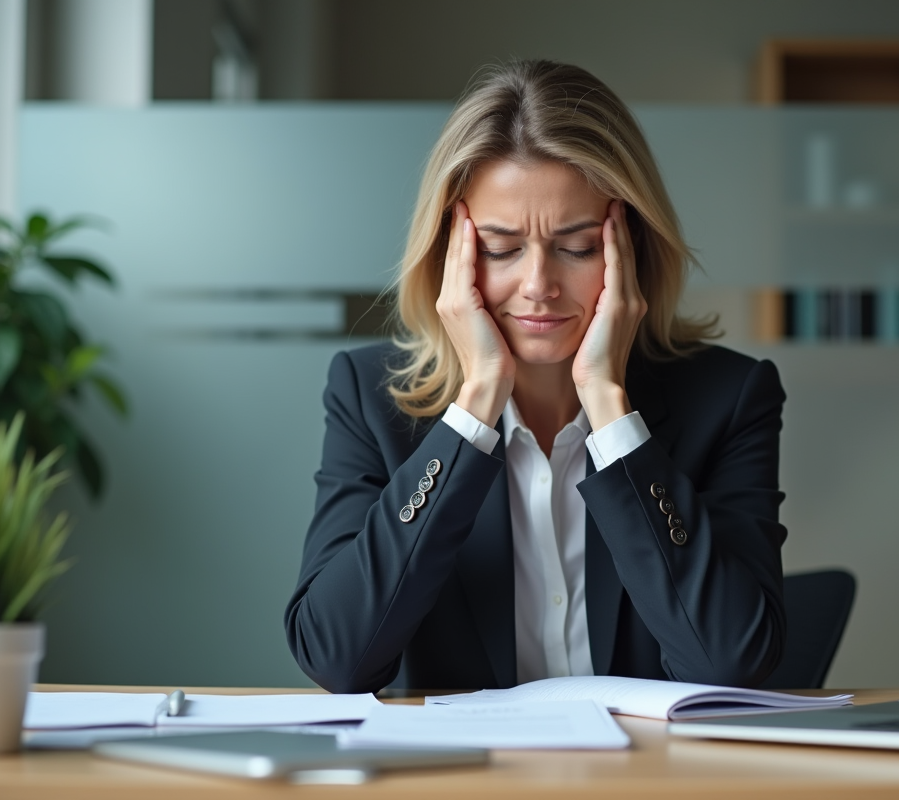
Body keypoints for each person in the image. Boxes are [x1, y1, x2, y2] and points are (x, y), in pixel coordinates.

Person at [284, 60, 787, 694]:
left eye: (577, 246)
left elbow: (730, 664)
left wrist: (610, 410)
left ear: (631, 247)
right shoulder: (369, 394)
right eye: (499, 248)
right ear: (450, 256)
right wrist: (472, 411)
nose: (539, 286)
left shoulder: (730, 398)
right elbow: (337, 657)